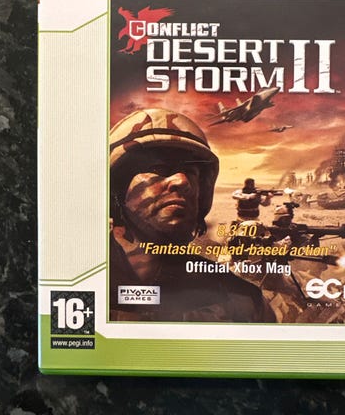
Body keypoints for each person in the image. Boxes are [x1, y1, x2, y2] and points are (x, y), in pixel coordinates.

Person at [109, 108, 275, 323]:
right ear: (117, 186)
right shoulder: (85, 281)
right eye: (159, 168)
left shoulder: (242, 303)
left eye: (191, 172)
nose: (182, 181)